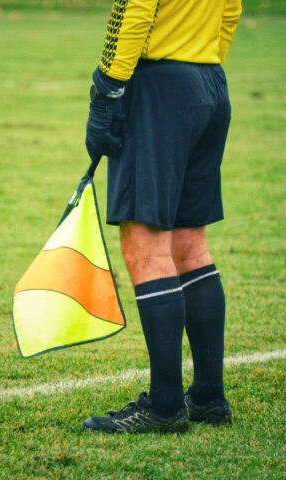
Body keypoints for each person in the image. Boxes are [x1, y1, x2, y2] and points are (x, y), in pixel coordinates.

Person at [82, 0, 243, 433]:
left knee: (146, 245)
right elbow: (230, 11)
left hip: (159, 88)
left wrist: (108, 87)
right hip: (209, 81)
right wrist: (200, 63)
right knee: (190, 244)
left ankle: (166, 405)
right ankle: (209, 397)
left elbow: (133, 10)